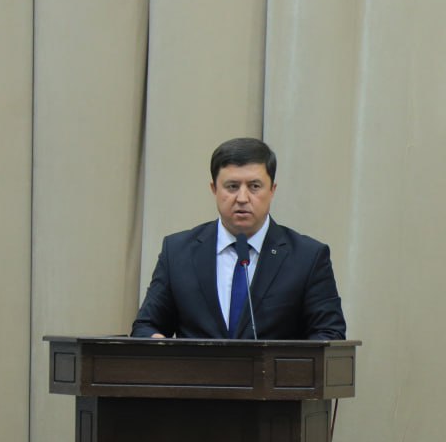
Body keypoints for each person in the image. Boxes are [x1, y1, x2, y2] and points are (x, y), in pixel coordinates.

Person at [131, 137, 346, 340]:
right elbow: (146, 326)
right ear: (214, 189)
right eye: (232, 187)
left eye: (254, 186)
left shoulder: (307, 257)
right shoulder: (178, 252)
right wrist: (160, 345)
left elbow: (330, 334)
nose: (242, 198)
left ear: (272, 190)